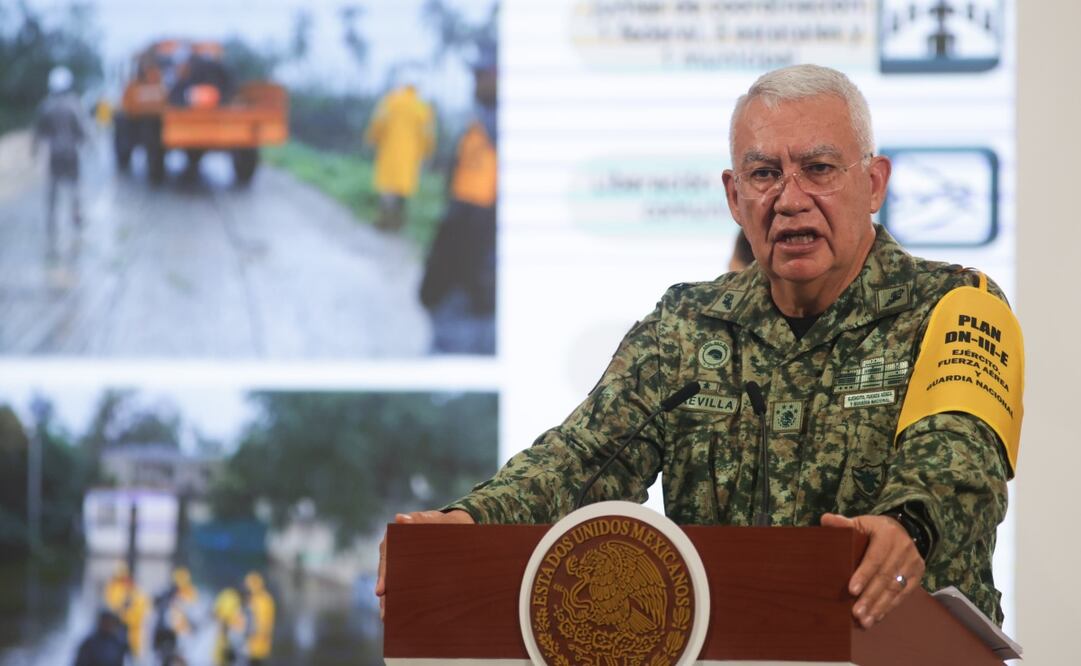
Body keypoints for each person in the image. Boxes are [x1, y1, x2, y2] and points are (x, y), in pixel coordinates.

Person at [378, 64, 1022, 630]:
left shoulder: (959, 306)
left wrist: (906, 528)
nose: (791, 200)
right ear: (733, 196)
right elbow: (578, 462)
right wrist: (467, 527)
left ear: (874, 183)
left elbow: (958, 466)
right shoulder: (686, 325)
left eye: (819, 169)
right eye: (764, 174)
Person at [417, 46, 498, 354]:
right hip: (459, 275)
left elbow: (474, 220)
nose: (475, 83)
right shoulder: (478, 124)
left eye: (482, 75)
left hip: (471, 287)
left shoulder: (494, 129)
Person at [364, 80, 436, 230]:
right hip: (411, 155)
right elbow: (428, 133)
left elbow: (379, 121)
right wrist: (427, 152)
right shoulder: (422, 108)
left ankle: (384, 219)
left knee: (387, 186)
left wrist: (373, 138)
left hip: (389, 150)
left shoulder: (391, 100)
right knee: (403, 187)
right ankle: (397, 222)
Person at [33, 65, 87, 256]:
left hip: (54, 154)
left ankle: (51, 224)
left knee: (53, 190)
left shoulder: (45, 105)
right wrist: (84, 144)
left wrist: (34, 151)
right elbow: (82, 130)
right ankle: (76, 219)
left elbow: (38, 132)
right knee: (74, 188)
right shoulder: (74, 104)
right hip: (71, 153)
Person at [102, 561, 150, 660]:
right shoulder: (112, 589)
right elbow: (112, 607)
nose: (125, 581)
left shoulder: (136, 591)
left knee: (133, 655)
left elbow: (144, 608)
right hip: (119, 626)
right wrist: (123, 606)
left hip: (134, 629)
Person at [241, 572, 275, 665]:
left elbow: (262, 624)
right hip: (252, 643)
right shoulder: (257, 598)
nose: (246, 588)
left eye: (247, 586)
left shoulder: (262, 601)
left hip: (257, 644)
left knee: (255, 662)